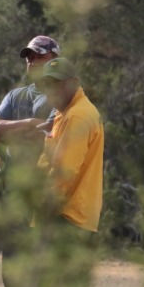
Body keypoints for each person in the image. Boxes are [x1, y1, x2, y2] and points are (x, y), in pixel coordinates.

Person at [35, 57, 104, 234]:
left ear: (74, 83)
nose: (52, 90)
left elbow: (64, 173)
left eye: (57, 83)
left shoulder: (77, 115)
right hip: (71, 216)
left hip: (67, 217)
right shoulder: (65, 112)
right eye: (48, 84)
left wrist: (43, 212)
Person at [0, 35, 59, 147]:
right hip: (13, 165)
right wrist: (31, 123)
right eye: (30, 58)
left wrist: (8, 131)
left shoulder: (63, 96)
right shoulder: (14, 95)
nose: (34, 62)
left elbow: (54, 133)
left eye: (41, 57)